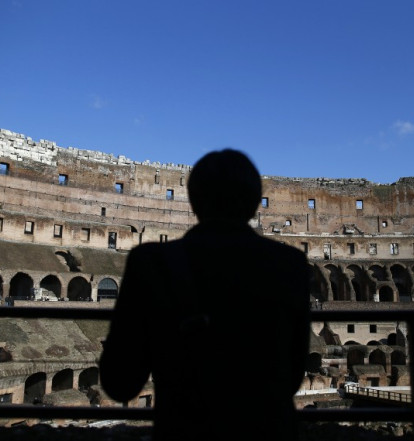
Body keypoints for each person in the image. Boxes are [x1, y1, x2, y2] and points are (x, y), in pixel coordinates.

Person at [99, 149, 311, 441]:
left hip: (184, 433)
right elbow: (294, 376)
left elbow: (120, 384)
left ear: (193, 202)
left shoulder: (150, 263)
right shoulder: (291, 264)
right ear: (255, 205)